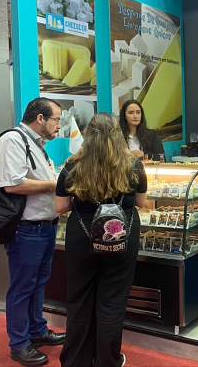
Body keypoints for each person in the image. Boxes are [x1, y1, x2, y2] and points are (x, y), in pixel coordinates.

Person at [56, 114, 147, 367]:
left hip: (82, 234)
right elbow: (141, 202)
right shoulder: (133, 165)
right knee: (113, 301)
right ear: (118, 136)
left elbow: (60, 207)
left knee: (79, 299)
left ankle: (76, 360)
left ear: (88, 136)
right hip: (122, 235)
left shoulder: (72, 166)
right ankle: (108, 360)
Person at [0, 97, 65, 366]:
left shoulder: (38, 145)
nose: (59, 125)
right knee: (23, 287)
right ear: (40, 118)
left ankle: (37, 330)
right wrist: (54, 185)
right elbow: (12, 184)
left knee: (39, 283)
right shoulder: (12, 140)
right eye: (56, 119)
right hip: (26, 229)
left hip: (45, 226)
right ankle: (20, 344)